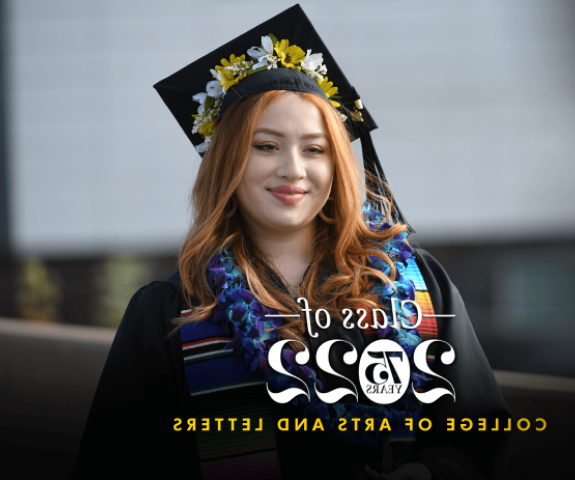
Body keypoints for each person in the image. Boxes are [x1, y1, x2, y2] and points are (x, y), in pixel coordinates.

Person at [70, 5, 511, 480]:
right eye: (266, 146)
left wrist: (425, 473)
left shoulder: (413, 284)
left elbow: (478, 434)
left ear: (337, 164)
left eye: (315, 149)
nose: (293, 170)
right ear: (228, 162)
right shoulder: (171, 312)